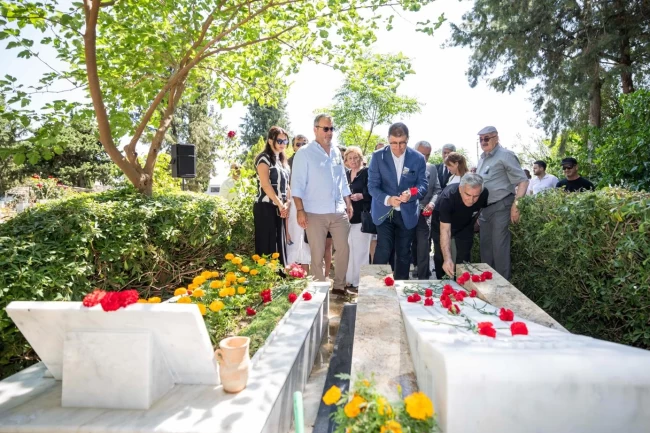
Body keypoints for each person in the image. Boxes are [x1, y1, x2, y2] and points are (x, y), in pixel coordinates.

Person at [291, 114, 353, 295]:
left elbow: (342, 180)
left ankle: (339, 286)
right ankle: (319, 290)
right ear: (315, 129)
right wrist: (300, 210)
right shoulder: (304, 153)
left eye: (332, 129)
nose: (329, 132)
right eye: (325, 129)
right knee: (317, 254)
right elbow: (297, 185)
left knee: (343, 249)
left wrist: (348, 202)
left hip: (338, 210)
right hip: (314, 212)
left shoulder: (336, 152)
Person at [368, 122, 428, 280]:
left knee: (403, 252)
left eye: (402, 143)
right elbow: (372, 186)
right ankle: (376, 285)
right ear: (388, 139)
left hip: (407, 213)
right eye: (393, 143)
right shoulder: (377, 156)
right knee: (384, 248)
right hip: (383, 211)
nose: (398, 147)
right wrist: (388, 199)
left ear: (408, 139)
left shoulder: (418, 158)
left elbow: (422, 185)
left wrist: (411, 193)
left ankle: (401, 287)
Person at [476, 126, 529, 281]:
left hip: (501, 207)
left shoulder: (505, 155)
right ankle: (487, 287)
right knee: (485, 250)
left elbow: (523, 181)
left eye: (487, 138)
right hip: (485, 210)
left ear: (496, 138)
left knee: (500, 249)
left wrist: (516, 205)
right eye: (481, 139)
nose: (483, 142)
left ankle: (503, 288)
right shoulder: (482, 158)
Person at [432, 174, 489, 279]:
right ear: (460, 189)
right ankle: (442, 283)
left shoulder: (484, 193)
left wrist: (474, 221)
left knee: (464, 256)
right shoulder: (447, 198)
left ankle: (462, 283)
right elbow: (445, 230)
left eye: (475, 196)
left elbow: (480, 208)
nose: (471, 200)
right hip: (441, 224)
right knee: (442, 257)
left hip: (465, 225)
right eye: (468, 195)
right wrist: (447, 259)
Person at [254, 126, 291, 265]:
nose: (283, 144)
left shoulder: (282, 161)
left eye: (285, 141)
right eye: (279, 141)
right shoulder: (263, 158)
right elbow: (265, 184)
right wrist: (280, 204)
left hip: (280, 208)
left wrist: (287, 203)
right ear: (270, 141)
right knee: (266, 245)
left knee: (279, 244)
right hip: (265, 207)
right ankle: (264, 276)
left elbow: (287, 186)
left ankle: (279, 276)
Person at [410, 141, 442, 279]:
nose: (424, 158)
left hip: (424, 214)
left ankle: (423, 279)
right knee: (405, 246)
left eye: (427, 155)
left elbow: (437, 190)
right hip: (406, 212)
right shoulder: (404, 166)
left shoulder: (432, 168)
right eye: (422, 154)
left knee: (424, 246)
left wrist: (432, 204)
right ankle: (402, 278)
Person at [344, 146, 372, 293]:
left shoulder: (367, 172)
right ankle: (349, 279)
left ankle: (361, 281)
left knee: (361, 251)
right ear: (346, 161)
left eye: (356, 157)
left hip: (362, 216)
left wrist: (362, 196)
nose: (353, 161)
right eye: (350, 158)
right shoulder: (346, 174)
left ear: (361, 158)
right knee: (349, 250)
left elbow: (373, 192)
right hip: (347, 218)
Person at [286, 134, 310, 272]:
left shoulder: (313, 161)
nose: (301, 147)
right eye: (298, 144)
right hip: (293, 205)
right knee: (294, 239)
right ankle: (292, 275)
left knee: (307, 242)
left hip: (310, 204)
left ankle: (306, 276)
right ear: (293, 147)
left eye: (304, 144)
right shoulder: (287, 163)